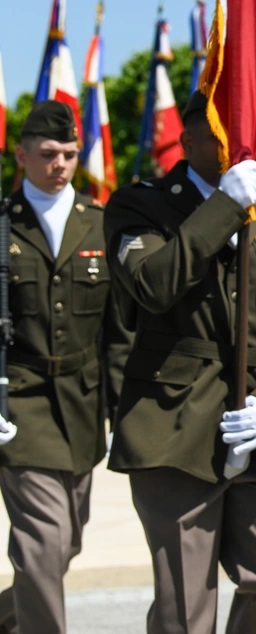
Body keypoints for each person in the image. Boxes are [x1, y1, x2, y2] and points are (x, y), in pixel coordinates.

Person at [103, 91, 256, 633]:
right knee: (185, 609)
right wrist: (222, 205)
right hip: (174, 427)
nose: (235, 146)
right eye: (220, 134)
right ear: (188, 139)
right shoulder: (141, 205)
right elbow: (153, 285)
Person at [0, 101, 124, 634]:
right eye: (48, 154)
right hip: (20, 401)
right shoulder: (4, 224)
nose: (60, 164)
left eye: (70, 154)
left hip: (81, 402)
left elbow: (120, 334)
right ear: (21, 155)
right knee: (44, 543)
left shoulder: (99, 223)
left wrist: (125, 414)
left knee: (64, 541)